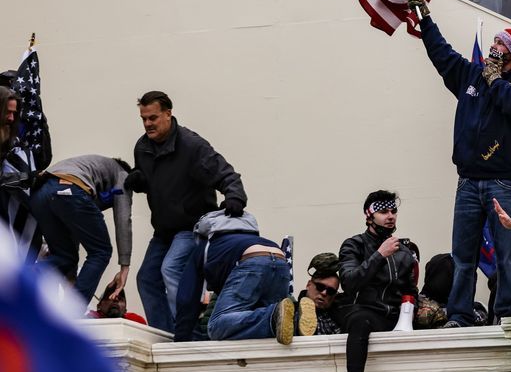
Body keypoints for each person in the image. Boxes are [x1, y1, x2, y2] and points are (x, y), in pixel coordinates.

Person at [410, 0, 511, 325]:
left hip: (502, 181)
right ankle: (460, 315)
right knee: (463, 256)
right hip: (468, 180)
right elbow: (443, 55)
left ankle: (510, 313)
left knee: (507, 253)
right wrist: (425, 19)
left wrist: (495, 78)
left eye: (500, 48)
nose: (493, 53)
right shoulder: (472, 76)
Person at [128, 91, 246, 335]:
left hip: (192, 225)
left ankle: (187, 331)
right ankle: (165, 333)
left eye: (153, 117)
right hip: (163, 231)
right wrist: (139, 180)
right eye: (144, 119)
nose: (148, 124)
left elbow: (226, 174)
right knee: (146, 279)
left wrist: (235, 197)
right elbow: (148, 176)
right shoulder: (142, 147)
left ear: (168, 114)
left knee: (170, 268)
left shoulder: (192, 146)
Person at [336, 192, 420, 372]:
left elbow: (411, 290)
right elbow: (349, 282)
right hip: (366, 312)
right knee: (359, 320)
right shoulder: (354, 244)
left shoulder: (404, 252)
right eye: (384, 212)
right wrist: (379, 255)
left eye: (393, 211)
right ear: (369, 215)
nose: (390, 216)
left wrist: (411, 310)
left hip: (395, 316)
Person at [176, 209, 305, 343]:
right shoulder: (249, 238)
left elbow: (186, 297)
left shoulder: (206, 245)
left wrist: (180, 340)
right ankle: (297, 318)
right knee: (280, 324)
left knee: (216, 326)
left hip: (252, 260)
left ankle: (273, 316)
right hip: (280, 259)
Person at [28, 155, 133, 305]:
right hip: (69, 189)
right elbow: (123, 218)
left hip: (40, 195)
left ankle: (17, 279)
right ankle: (73, 312)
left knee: (64, 257)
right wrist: (124, 266)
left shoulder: (90, 167)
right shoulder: (123, 174)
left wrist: (72, 277)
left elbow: (75, 225)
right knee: (101, 252)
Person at [297, 252, 342, 336]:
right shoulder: (293, 312)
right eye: (320, 287)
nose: (324, 293)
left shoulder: (340, 316)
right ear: (308, 285)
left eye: (330, 291)